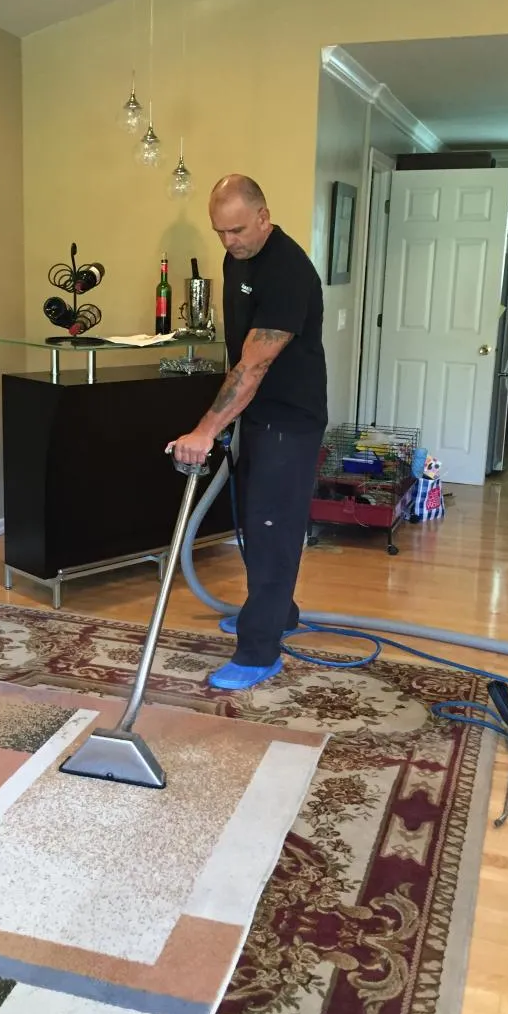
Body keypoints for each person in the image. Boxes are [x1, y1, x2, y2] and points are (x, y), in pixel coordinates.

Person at [169, 175, 328, 690]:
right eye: (220, 232)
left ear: (263, 216)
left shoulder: (287, 270)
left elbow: (256, 365)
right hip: (257, 416)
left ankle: (259, 651)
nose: (229, 242)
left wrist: (206, 427)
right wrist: (225, 420)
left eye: (237, 229)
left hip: (290, 418)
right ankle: (278, 611)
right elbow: (239, 355)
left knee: (273, 529)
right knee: (256, 525)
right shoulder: (237, 258)